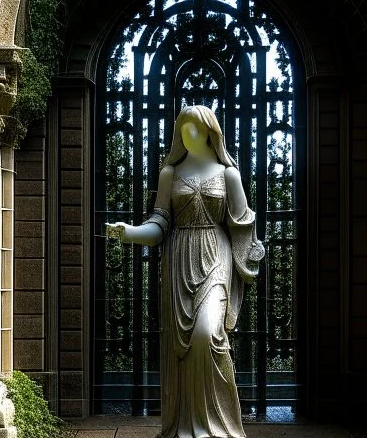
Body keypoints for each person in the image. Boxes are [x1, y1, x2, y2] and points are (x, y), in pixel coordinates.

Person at [105, 105, 265, 438]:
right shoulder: (170, 174)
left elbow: (242, 224)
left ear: (210, 131)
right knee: (183, 345)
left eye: (195, 128)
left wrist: (251, 254)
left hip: (215, 255)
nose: (188, 135)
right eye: (183, 128)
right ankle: (186, 426)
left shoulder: (228, 174)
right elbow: (160, 223)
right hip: (179, 260)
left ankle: (221, 426)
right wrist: (130, 232)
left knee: (208, 334)